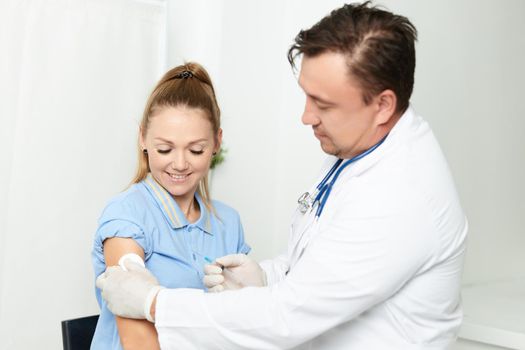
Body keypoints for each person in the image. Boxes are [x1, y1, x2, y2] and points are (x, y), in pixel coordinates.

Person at [96, 3, 468, 349]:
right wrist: (268, 277)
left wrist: (154, 302)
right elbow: (318, 267)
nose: (306, 117)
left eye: (322, 104)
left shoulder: (400, 195)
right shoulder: (356, 150)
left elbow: (286, 315)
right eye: (306, 97)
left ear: (382, 105)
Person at [90, 62, 251, 349]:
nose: (179, 164)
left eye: (195, 149)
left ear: (216, 142)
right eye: (165, 149)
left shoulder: (228, 223)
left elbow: (241, 328)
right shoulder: (126, 215)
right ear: (142, 138)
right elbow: (137, 341)